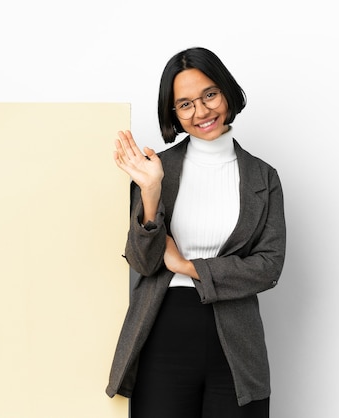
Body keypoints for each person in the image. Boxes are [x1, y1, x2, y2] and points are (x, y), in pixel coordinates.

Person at [106, 47, 286, 418]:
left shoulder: (263, 177)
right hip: (163, 329)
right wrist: (151, 193)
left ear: (226, 92)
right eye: (185, 104)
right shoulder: (156, 170)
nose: (201, 112)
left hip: (237, 339)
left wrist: (188, 266)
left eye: (209, 94)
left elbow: (268, 267)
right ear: (173, 113)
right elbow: (142, 261)